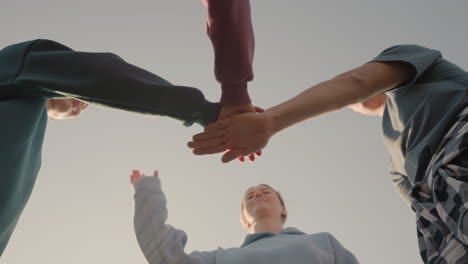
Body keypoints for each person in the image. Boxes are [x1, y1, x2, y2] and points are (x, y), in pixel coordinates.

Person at [0, 0, 257, 256]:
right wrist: (208, 112)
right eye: (78, 94)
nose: (82, 102)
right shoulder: (12, 66)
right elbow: (100, 76)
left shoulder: (22, 118)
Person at [188, 44, 468, 263]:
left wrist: (268, 122)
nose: (350, 100)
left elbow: (356, 83)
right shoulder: (396, 163)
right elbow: (424, 207)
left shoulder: (412, 61)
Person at [130, 169, 359, 264]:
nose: (257, 193)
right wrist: (147, 193)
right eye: (249, 196)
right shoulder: (220, 258)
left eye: (265, 191)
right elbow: (163, 254)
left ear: (283, 208)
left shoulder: (323, 242)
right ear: (244, 218)